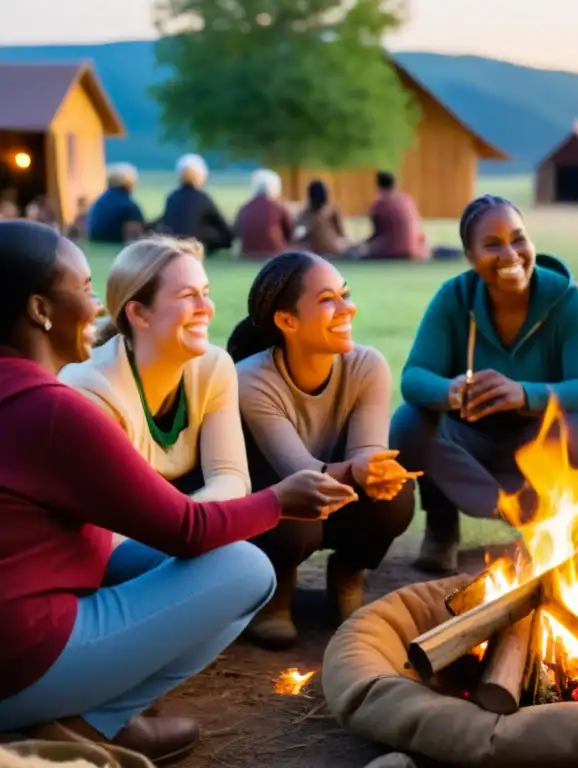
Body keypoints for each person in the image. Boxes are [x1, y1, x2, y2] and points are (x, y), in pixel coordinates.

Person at [0, 221, 355, 764]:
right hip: (20, 660)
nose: (98, 308)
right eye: (87, 288)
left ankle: (88, 711)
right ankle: (97, 721)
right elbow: (186, 530)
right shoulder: (56, 409)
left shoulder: (21, 394)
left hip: (36, 609)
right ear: (40, 310)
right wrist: (281, 499)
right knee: (244, 570)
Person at [390, 195, 578, 574]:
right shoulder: (454, 299)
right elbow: (413, 378)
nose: (510, 254)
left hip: (535, 442)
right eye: (493, 244)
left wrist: (525, 394)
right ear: (471, 257)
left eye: (518, 238)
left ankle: (560, 526)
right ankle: (442, 527)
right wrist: (451, 390)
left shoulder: (569, 301)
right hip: (467, 441)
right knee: (409, 421)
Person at [227, 252, 416, 649]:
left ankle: (348, 572)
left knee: (395, 498)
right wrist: (360, 471)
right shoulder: (249, 379)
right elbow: (298, 470)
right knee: (296, 509)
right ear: (286, 321)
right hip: (284, 505)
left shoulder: (367, 365)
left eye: (345, 294)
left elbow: (368, 450)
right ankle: (274, 590)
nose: (348, 308)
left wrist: (376, 471)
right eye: (328, 299)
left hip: (337, 496)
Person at [60, 237, 249, 503]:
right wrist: (193, 527)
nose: (207, 309)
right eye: (187, 296)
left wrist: (194, 523)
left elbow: (230, 476)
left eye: (205, 294)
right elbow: (114, 514)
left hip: (182, 519)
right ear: (139, 313)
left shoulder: (213, 367)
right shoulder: (93, 389)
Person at [155, 154, 233, 254]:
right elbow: (223, 227)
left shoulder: (172, 197)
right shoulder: (202, 198)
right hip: (194, 245)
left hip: (173, 244)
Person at [355, 171, 428, 261]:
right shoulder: (408, 201)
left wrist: (359, 245)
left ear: (377, 185)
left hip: (392, 252)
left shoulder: (378, 206)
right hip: (415, 252)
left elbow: (377, 234)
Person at [235, 169, 292, 260]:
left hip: (247, 253)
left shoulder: (245, 207)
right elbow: (289, 232)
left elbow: (237, 231)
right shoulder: (278, 207)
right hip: (275, 253)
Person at [87, 164, 145, 244]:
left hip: (96, 239)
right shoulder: (129, 206)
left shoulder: (99, 201)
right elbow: (133, 235)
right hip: (115, 240)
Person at [291, 179, 349, 258]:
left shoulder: (331, 212)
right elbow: (297, 236)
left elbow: (342, 234)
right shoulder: (307, 215)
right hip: (320, 251)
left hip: (332, 250)